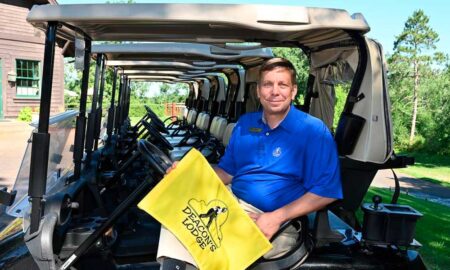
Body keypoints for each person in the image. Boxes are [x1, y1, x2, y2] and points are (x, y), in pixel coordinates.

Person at [159, 57, 342, 270]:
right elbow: (227, 172)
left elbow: (326, 191)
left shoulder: (312, 131)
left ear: (293, 91)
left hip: (274, 222)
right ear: (258, 91)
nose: (275, 91)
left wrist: (275, 218)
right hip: (232, 205)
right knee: (177, 211)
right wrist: (187, 175)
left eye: (282, 85)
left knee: (203, 241)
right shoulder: (246, 124)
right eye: (268, 84)